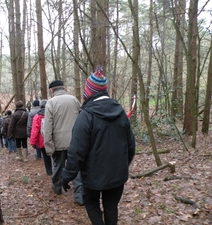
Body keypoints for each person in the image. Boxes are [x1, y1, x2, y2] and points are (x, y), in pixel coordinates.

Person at [61, 66, 136, 225]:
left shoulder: (86, 116)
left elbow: (76, 151)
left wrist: (67, 176)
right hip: (117, 175)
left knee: (91, 203)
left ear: (89, 92)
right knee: (111, 207)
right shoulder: (121, 114)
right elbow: (131, 146)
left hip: (93, 177)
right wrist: (122, 165)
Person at [43, 80, 83, 205]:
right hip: (75, 141)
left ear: (52, 90)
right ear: (64, 88)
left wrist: (49, 146)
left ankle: (57, 187)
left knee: (58, 166)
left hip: (58, 142)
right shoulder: (74, 100)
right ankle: (79, 196)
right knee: (76, 169)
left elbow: (47, 126)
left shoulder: (51, 103)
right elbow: (82, 119)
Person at [30, 99, 53, 175]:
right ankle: (57, 170)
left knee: (46, 156)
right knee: (55, 155)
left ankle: (49, 171)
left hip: (42, 140)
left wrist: (33, 142)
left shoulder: (37, 116)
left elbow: (35, 130)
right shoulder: (53, 113)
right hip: (53, 138)